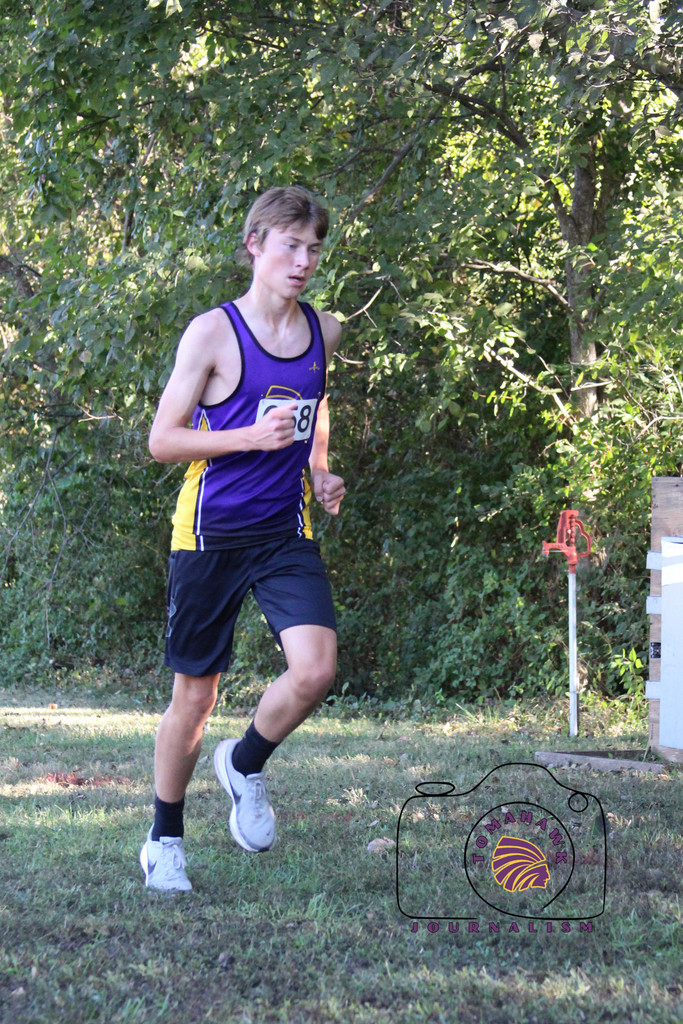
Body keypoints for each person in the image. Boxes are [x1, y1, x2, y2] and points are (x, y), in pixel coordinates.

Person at [139, 186, 346, 891]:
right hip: (210, 533)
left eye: (313, 248)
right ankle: (164, 838)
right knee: (194, 697)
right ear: (255, 244)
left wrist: (318, 470)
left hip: (284, 529)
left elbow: (315, 406)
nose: (303, 260)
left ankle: (246, 762)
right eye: (290, 245)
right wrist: (246, 438)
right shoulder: (212, 333)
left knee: (315, 670)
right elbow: (162, 441)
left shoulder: (324, 330)